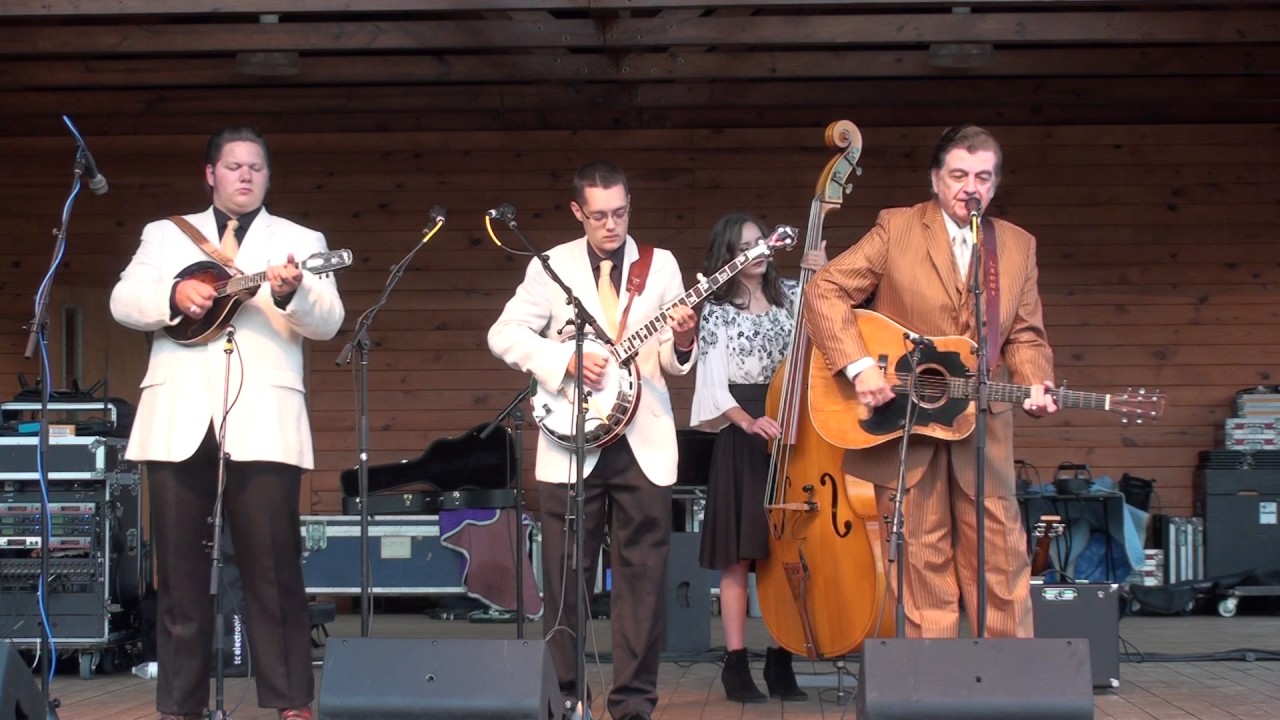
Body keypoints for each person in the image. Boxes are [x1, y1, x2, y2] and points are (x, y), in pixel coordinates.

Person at [110, 125, 344, 720]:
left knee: (273, 568)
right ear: (210, 173)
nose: (246, 175)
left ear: (268, 176)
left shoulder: (297, 239)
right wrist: (175, 292)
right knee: (181, 576)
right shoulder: (164, 235)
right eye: (234, 166)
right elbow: (123, 300)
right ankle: (179, 706)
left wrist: (292, 296)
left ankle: (292, 701)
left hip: (263, 416)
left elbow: (330, 320)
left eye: (257, 167)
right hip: (179, 418)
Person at [803, 124, 1058, 640]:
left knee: (1004, 563)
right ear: (936, 180)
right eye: (959, 174)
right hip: (906, 429)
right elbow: (825, 289)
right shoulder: (897, 228)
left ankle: (1010, 688)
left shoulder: (1015, 246)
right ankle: (933, 688)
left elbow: (1026, 336)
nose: (972, 187)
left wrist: (1036, 380)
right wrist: (861, 366)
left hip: (983, 430)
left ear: (995, 183)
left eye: (983, 177)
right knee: (921, 566)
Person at [487, 161, 697, 720]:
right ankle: (566, 699)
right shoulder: (549, 266)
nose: (612, 225)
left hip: (643, 443)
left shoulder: (662, 265)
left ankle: (633, 705)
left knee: (643, 584)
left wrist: (683, 338)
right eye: (600, 215)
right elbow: (503, 333)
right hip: (570, 443)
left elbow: (676, 363)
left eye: (621, 212)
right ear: (578, 212)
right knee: (564, 581)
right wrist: (565, 360)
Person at [688, 213, 825, 703]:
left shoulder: (794, 292)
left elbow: (831, 330)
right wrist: (749, 422)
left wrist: (822, 273)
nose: (759, 250)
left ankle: (783, 658)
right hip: (743, 431)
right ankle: (737, 664)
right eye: (746, 245)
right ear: (728, 257)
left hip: (792, 429)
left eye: (761, 241)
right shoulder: (718, 311)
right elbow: (712, 385)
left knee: (793, 554)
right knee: (740, 557)